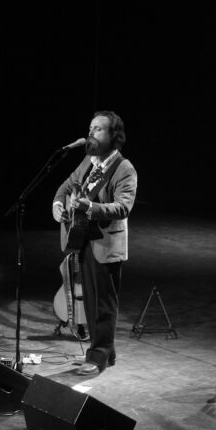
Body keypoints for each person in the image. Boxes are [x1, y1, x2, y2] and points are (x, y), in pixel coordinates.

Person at [52, 111, 137, 376]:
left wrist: (92, 207)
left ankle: (98, 357)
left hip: (106, 245)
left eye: (99, 129)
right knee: (89, 301)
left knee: (103, 304)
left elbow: (122, 207)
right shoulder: (89, 161)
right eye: (91, 128)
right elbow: (66, 187)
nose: (91, 133)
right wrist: (57, 204)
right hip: (84, 239)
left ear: (114, 136)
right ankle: (103, 352)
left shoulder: (124, 168)